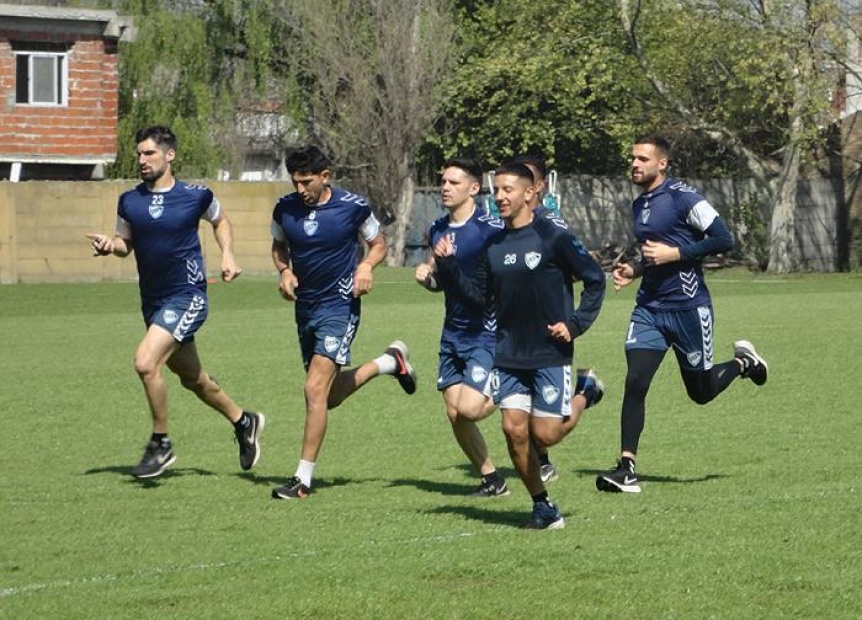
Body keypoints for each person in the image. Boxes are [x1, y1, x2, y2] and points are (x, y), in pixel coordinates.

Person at [86, 125, 264, 479]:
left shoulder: (196, 195)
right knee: (193, 379)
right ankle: (245, 421)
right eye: (138, 154)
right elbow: (125, 244)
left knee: (145, 362)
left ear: (170, 155)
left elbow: (220, 220)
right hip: (152, 302)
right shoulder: (129, 201)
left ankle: (160, 443)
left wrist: (228, 254)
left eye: (149, 153)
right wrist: (111, 245)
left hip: (188, 295)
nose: (141, 160)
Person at [434, 161, 606, 529]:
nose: (499, 197)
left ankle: (586, 392)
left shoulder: (553, 236)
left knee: (544, 434)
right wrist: (448, 266)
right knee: (514, 432)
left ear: (530, 193)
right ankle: (543, 506)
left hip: (549, 351)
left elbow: (594, 279)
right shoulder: (493, 244)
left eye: (507, 190)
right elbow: (479, 297)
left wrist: (575, 325)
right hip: (508, 353)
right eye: (496, 190)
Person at [595, 134, 769, 494]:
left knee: (701, 393)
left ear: (662, 163)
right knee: (635, 381)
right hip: (650, 309)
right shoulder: (639, 204)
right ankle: (626, 467)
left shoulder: (683, 197)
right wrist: (635, 270)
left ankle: (743, 364)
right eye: (633, 158)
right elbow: (651, 253)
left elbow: (723, 239)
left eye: (643, 159)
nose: (635, 164)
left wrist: (675, 254)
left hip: (689, 309)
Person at [270, 145, 417, 500]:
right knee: (329, 396)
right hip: (305, 309)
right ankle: (388, 363)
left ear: (326, 176)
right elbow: (278, 248)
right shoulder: (284, 209)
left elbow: (378, 244)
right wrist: (285, 271)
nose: (300, 189)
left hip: (340, 306)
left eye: (307, 181)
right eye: (295, 182)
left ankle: (302, 479)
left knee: (313, 390)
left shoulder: (353, 207)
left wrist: (366, 266)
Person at [415, 158, 509, 498]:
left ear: (473, 188)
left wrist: (448, 265)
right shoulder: (438, 228)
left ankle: (515, 385)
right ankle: (492, 479)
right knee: (455, 413)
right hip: (451, 333)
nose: (445, 187)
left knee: (470, 408)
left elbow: (482, 296)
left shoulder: (489, 231)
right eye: (443, 181)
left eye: (454, 182)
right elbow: (443, 281)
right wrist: (428, 278)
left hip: (485, 331)